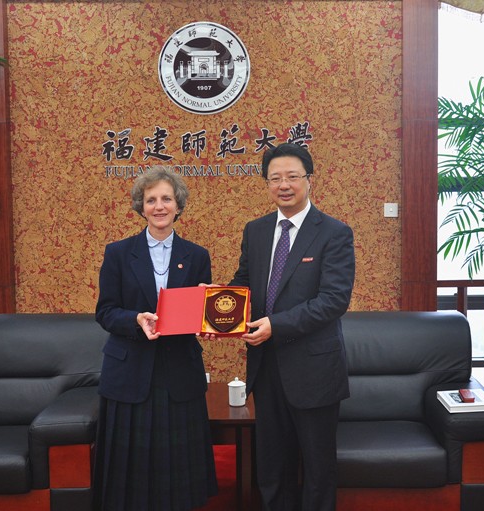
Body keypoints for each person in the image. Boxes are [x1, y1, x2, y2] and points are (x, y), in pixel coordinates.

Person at [229, 143, 355, 511]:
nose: (284, 185)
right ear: (267, 184)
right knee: (272, 464)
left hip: (314, 369)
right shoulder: (255, 230)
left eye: (292, 177)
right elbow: (244, 284)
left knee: (317, 467)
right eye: (275, 178)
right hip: (266, 367)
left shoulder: (333, 232)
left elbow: (333, 300)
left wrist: (276, 325)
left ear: (309, 180)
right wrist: (217, 305)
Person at [93, 166, 217, 511]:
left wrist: (207, 316)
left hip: (179, 372)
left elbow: (198, 316)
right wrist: (135, 320)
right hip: (129, 371)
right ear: (141, 206)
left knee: (179, 473)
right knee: (129, 478)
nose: (159, 206)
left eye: (166, 199)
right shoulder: (118, 253)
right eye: (151, 200)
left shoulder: (197, 255)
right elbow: (105, 312)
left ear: (178, 205)